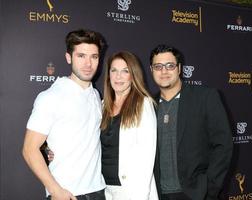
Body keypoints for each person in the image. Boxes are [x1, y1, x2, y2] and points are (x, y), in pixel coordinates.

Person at [22, 29, 106, 200]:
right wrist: (55, 190)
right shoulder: (52, 96)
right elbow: (29, 149)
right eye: (81, 56)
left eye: (94, 57)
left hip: (98, 189)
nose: (88, 63)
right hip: (67, 193)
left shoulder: (96, 95)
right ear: (69, 57)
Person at [150, 44, 233, 200]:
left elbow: (223, 145)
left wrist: (209, 189)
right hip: (158, 194)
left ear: (179, 68)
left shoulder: (205, 97)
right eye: (158, 66)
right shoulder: (148, 105)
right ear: (151, 70)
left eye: (170, 65)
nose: (164, 71)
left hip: (196, 193)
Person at [100, 51, 158, 200]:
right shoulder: (102, 106)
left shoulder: (143, 104)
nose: (118, 76)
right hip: (103, 188)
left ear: (133, 76)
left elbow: (147, 156)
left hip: (131, 191)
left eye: (125, 71)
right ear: (108, 75)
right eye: (114, 71)